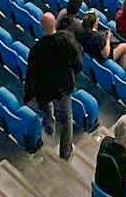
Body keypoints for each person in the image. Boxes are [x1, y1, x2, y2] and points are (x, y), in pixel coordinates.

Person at [25, 11, 82, 154]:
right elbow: (78, 63)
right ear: (55, 23)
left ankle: (49, 125)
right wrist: (73, 74)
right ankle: (65, 151)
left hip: (44, 88)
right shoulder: (67, 39)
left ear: (41, 27)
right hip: (63, 87)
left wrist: (29, 93)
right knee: (67, 118)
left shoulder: (36, 50)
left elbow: (31, 74)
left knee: (46, 105)